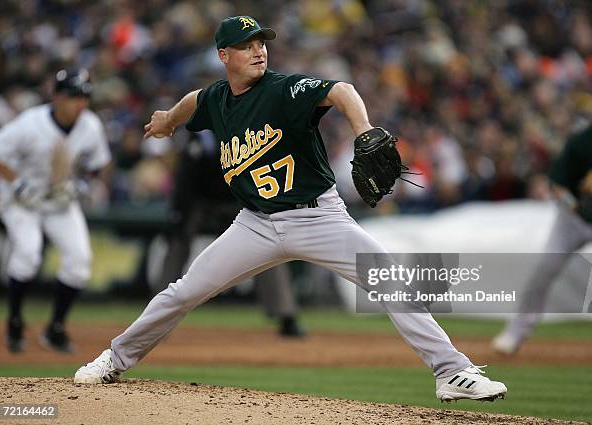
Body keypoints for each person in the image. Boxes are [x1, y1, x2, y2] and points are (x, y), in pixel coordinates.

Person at [75, 16, 506, 402]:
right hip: (255, 225)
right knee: (183, 292)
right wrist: (169, 118)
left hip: (319, 216)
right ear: (224, 55)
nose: (258, 49)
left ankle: (451, 373)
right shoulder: (217, 99)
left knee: (389, 278)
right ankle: (115, 359)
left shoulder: (283, 89)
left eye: (261, 42)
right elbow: (194, 100)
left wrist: (365, 129)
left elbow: (343, 90)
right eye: (246, 45)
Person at [0, 68, 111, 353]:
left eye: (84, 96)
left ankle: (55, 329)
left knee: (80, 261)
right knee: (28, 252)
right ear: (56, 96)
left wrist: (85, 184)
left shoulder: (90, 126)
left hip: (59, 200)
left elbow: (98, 164)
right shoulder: (30, 124)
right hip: (21, 199)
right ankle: (14, 322)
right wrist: (17, 183)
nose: (79, 103)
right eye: (73, 96)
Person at [156, 133, 305, 337]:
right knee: (178, 242)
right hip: (198, 198)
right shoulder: (201, 136)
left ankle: (286, 315)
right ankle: (157, 315)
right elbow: (185, 179)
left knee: (268, 242)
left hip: (238, 196)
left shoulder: (251, 131)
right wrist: (178, 215)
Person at [492, 95, 592, 355]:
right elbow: (556, 184)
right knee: (545, 269)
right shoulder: (585, 140)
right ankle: (515, 332)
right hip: (573, 219)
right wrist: (577, 206)